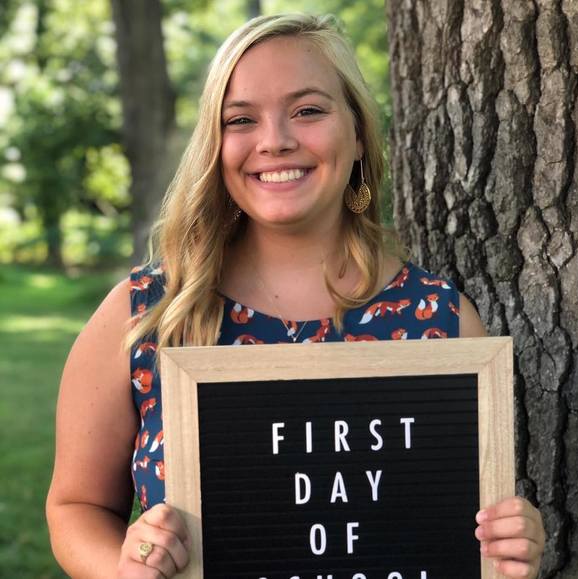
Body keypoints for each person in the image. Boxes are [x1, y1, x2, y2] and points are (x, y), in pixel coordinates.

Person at [46, 13, 545, 579]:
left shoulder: (441, 321)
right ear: (215, 145)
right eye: (241, 119)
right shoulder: (146, 313)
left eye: (308, 110)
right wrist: (127, 568)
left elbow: (455, 533)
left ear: (358, 133)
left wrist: (507, 546)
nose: (276, 141)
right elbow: (76, 507)